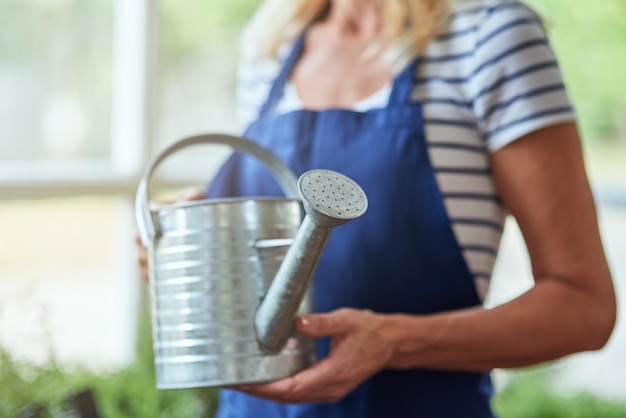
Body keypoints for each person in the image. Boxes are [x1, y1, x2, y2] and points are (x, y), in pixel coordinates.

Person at [139, 0, 617, 416]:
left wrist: (395, 341)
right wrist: (195, 250)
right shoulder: (272, 45)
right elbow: (268, 269)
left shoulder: (493, 38)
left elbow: (584, 305)